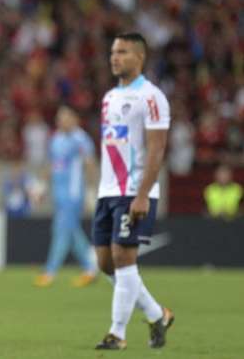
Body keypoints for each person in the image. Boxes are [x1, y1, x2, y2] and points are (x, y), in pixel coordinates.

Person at [93, 32, 175, 350]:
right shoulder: (109, 98)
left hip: (134, 191)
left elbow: (157, 150)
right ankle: (158, 314)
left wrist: (143, 194)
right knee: (105, 263)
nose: (114, 57)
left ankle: (118, 333)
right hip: (108, 191)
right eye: (113, 51)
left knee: (124, 258)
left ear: (139, 58)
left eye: (122, 52)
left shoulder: (152, 97)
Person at [32, 106, 98, 288]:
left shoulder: (81, 139)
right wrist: (41, 186)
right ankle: (91, 268)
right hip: (59, 194)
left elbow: (90, 164)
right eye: (59, 117)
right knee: (72, 231)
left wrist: (91, 192)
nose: (60, 121)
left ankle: (49, 272)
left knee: (61, 230)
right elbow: (52, 164)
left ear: (74, 118)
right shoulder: (56, 139)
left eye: (64, 117)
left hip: (73, 193)